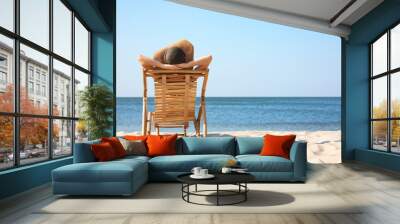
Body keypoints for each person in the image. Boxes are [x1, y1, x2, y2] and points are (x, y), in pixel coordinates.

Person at [138, 39, 212, 70]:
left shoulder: (158, 75)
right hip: (186, 101)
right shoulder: (191, 77)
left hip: (164, 101)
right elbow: (209, 58)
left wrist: (162, 66)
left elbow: (140, 58)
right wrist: (188, 65)